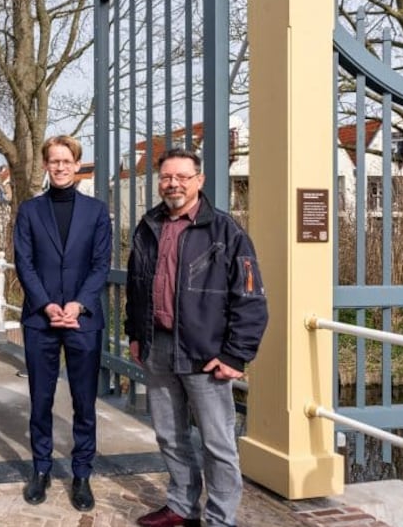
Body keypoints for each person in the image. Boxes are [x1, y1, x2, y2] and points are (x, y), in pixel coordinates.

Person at [124, 148, 268, 527]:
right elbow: (136, 286)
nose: (173, 184)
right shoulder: (147, 225)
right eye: (167, 177)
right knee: (170, 435)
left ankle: (220, 519)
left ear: (199, 181)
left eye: (182, 177)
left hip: (205, 352)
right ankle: (181, 507)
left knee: (217, 443)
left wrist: (236, 355)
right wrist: (135, 334)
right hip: (157, 345)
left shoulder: (226, 231)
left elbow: (250, 298)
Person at [13, 135, 112, 511]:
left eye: (66, 161)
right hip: (41, 320)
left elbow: (101, 263)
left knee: (84, 401)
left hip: (83, 320)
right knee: (41, 399)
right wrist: (47, 305)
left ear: (76, 164)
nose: (59, 167)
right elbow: (24, 262)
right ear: (45, 165)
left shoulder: (96, 211)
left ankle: (82, 473)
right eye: (53, 161)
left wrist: (79, 304)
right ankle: (40, 469)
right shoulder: (29, 210)